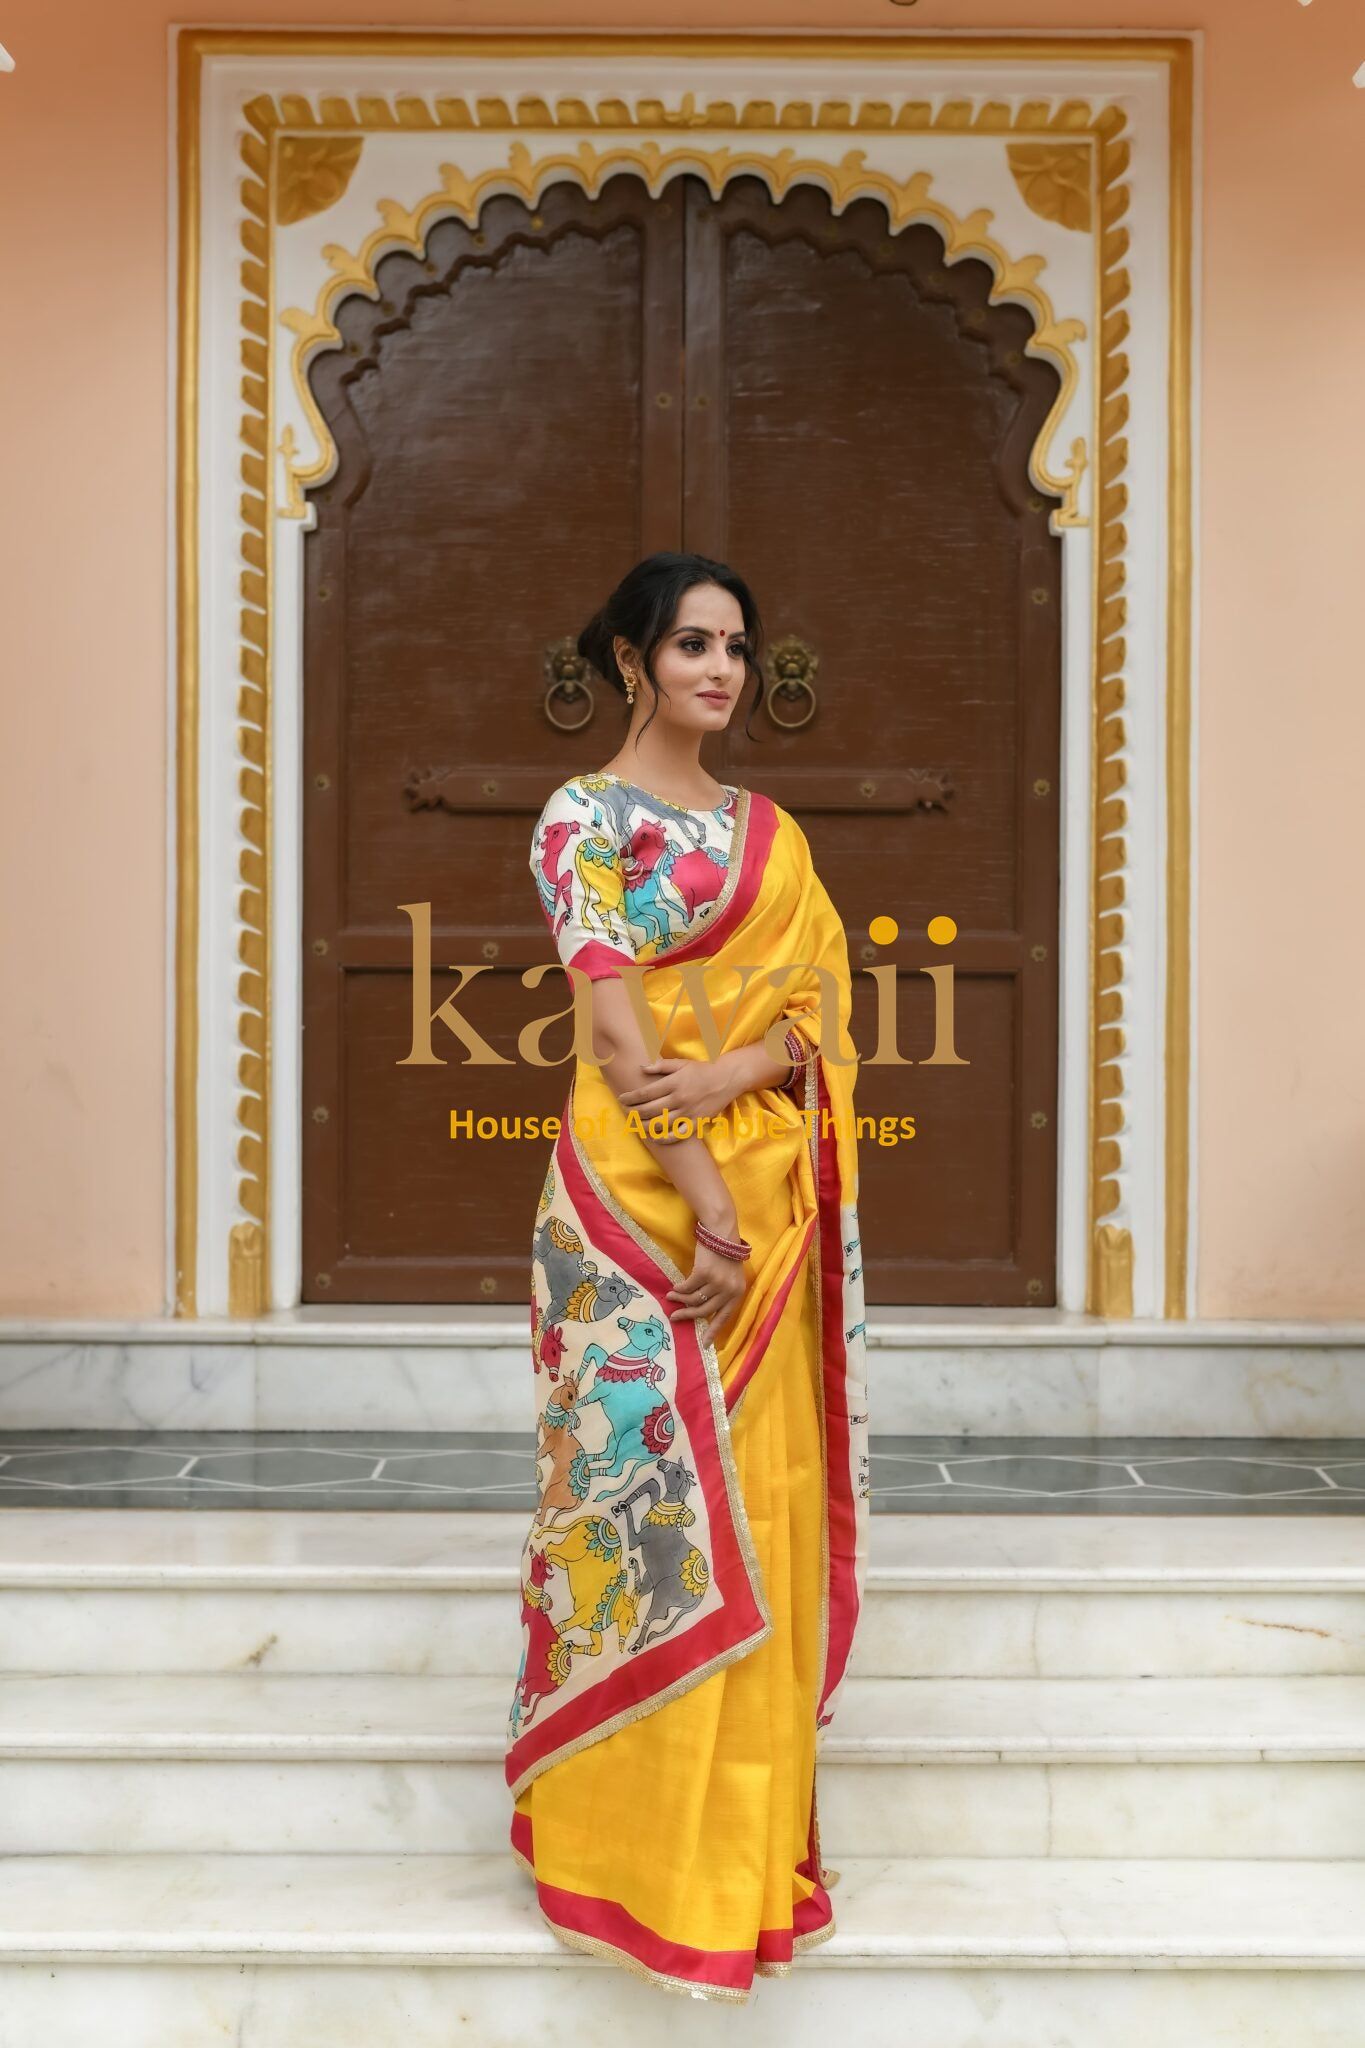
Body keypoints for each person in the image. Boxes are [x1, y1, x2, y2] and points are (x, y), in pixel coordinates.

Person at [506, 551, 870, 2002]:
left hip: (754, 1208)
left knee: (756, 1522)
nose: (718, 669)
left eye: (734, 645)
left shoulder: (770, 835)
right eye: (687, 646)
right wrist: (711, 1212)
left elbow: (820, 1011)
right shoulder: (580, 821)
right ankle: (624, 1849)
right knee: (635, 1522)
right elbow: (612, 1039)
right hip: (631, 1219)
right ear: (628, 665)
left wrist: (739, 1069)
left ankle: (737, 1854)